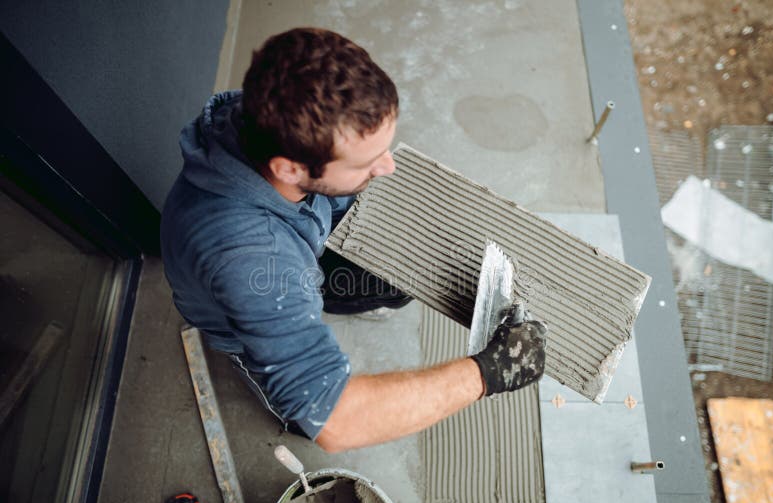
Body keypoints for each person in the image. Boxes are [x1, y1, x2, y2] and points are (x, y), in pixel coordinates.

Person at [160, 27, 547, 453]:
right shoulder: (253, 262)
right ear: (289, 169)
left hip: (302, 239)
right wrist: (487, 372)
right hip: (250, 305)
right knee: (300, 411)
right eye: (366, 161)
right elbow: (337, 421)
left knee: (396, 283)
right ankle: (287, 411)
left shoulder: (270, 109)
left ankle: (337, 278)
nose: (388, 168)